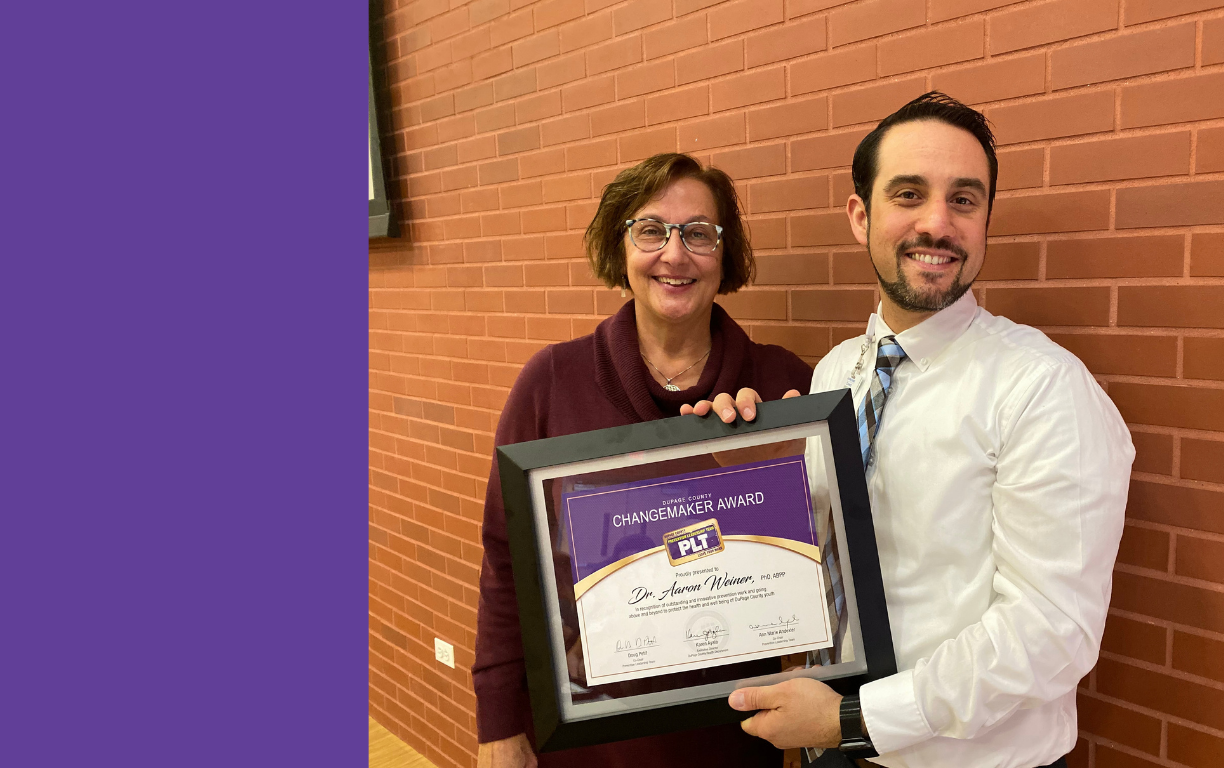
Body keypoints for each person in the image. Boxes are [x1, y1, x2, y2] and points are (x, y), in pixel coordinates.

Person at [692, 92, 1134, 767]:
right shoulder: (839, 373)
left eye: (964, 199)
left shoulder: (1043, 389)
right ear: (860, 214)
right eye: (908, 194)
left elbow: (1053, 633)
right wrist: (752, 484)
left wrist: (854, 717)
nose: (938, 223)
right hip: (830, 746)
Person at [472, 153, 813, 768]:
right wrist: (498, 719)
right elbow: (506, 560)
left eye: (699, 233)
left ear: (725, 253)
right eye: (651, 230)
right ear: (620, 248)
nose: (675, 255)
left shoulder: (782, 385)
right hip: (588, 738)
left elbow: (827, 566)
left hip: (733, 736)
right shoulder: (550, 384)